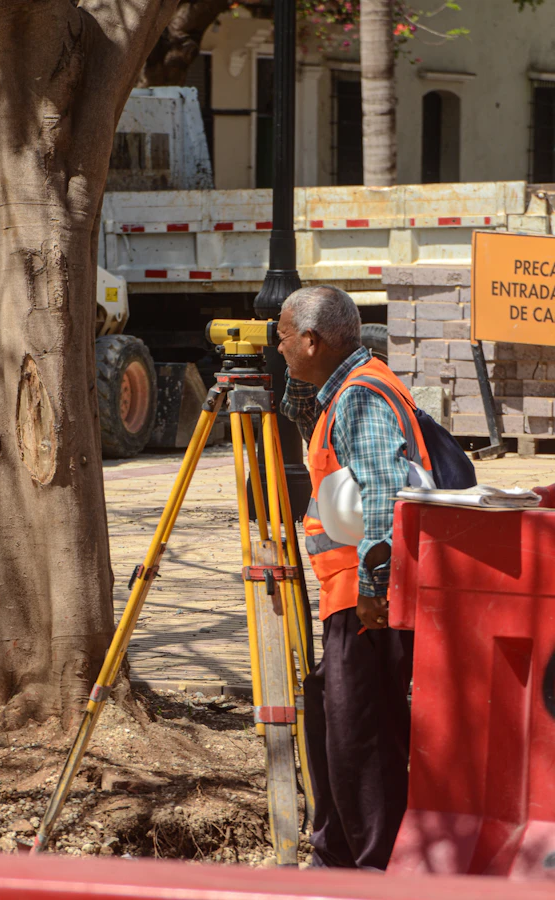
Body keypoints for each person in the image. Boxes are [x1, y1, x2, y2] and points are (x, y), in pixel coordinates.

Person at [277, 285, 429, 871]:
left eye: (286, 337)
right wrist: (299, 371)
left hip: (364, 600)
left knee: (361, 741)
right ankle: (337, 854)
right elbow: (301, 412)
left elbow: (383, 494)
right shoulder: (346, 387)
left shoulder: (361, 398)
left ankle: (371, 869)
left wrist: (373, 587)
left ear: (313, 340)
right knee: (335, 726)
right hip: (354, 596)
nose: (279, 346)